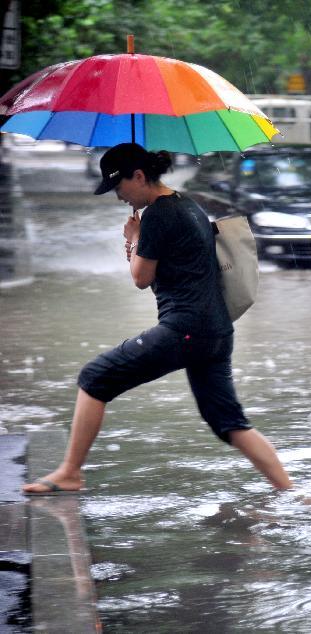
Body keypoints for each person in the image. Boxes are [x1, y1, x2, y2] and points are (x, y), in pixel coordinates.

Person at [23, 143, 292, 494]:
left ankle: (71, 472)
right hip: (217, 332)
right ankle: (291, 491)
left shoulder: (159, 215)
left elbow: (140, 278)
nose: (118, 196)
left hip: (185, 330)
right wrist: (138, 244)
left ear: (138, 176)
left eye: (118, 187)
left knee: (94, 376)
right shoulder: (188, 204)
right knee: (227, 421)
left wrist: (134, 239)